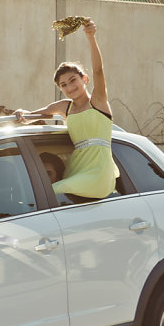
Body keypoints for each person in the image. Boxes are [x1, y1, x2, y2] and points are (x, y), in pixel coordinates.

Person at [14, 18, 118, 199]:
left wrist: (91, 37)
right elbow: (36, 115)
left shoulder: (98, 101)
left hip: (98, 173)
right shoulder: (65, 107)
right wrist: (22, 114)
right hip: (76, 167)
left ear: (84, 79)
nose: (70, 87)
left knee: (46, 194)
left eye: (73, 80)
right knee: (46, 194)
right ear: (60, 89)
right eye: (64, 85)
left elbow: (99, 71)